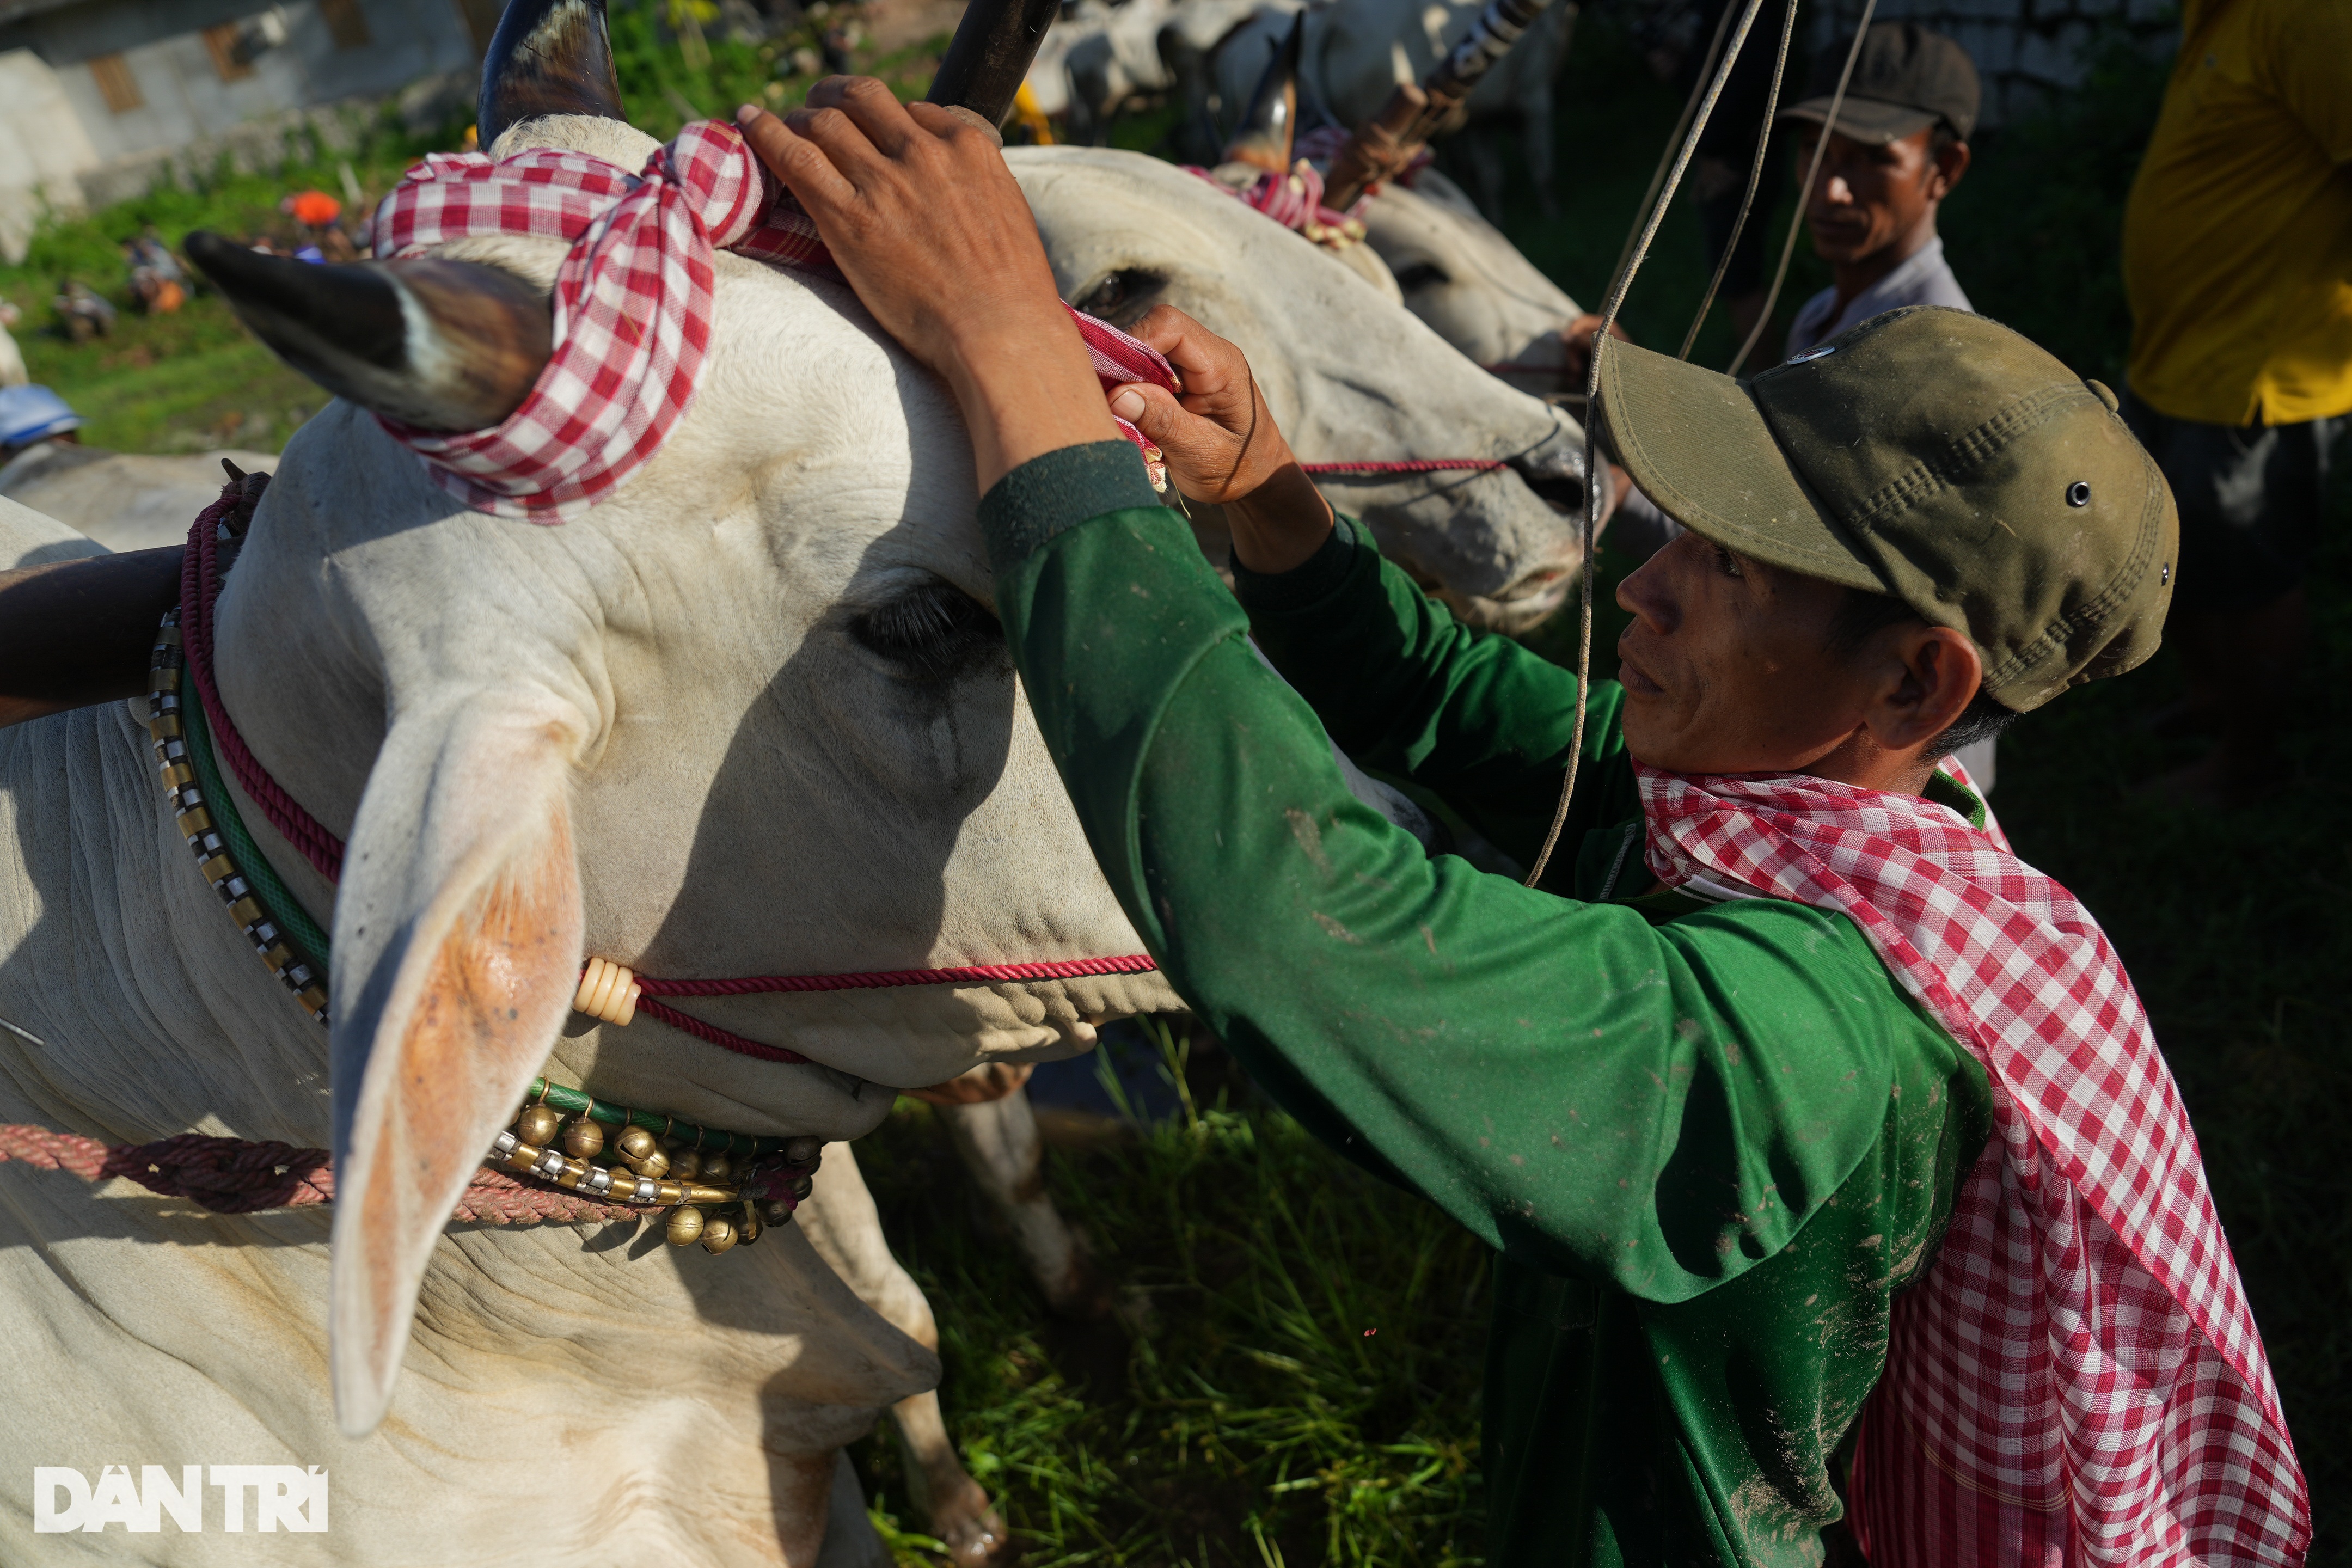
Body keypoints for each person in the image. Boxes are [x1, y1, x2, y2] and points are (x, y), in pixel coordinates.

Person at [730, 79, 2309, 1565]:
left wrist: (1020, 375)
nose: (1646, 582)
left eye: (1732, 570)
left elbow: (1303, 923)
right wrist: (1269, 498)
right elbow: (1459, 709)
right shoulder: (1785, 810)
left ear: (1914, 684)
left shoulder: (1811, 1045)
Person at [2118, 0, 2351, 807]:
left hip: (2255, 380)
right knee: (2176, 556)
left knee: (2249, 576)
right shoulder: (2222, 12)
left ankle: (2247, 764)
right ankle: (2214, 700)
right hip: (2177, 358)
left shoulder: (2310, 17)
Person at [1778, 22, 1976, 359]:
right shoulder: (1819, 314)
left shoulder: (1937, 349)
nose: (1831, 191)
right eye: (1816, 150)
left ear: (1944, 169)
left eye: (1874, 159)